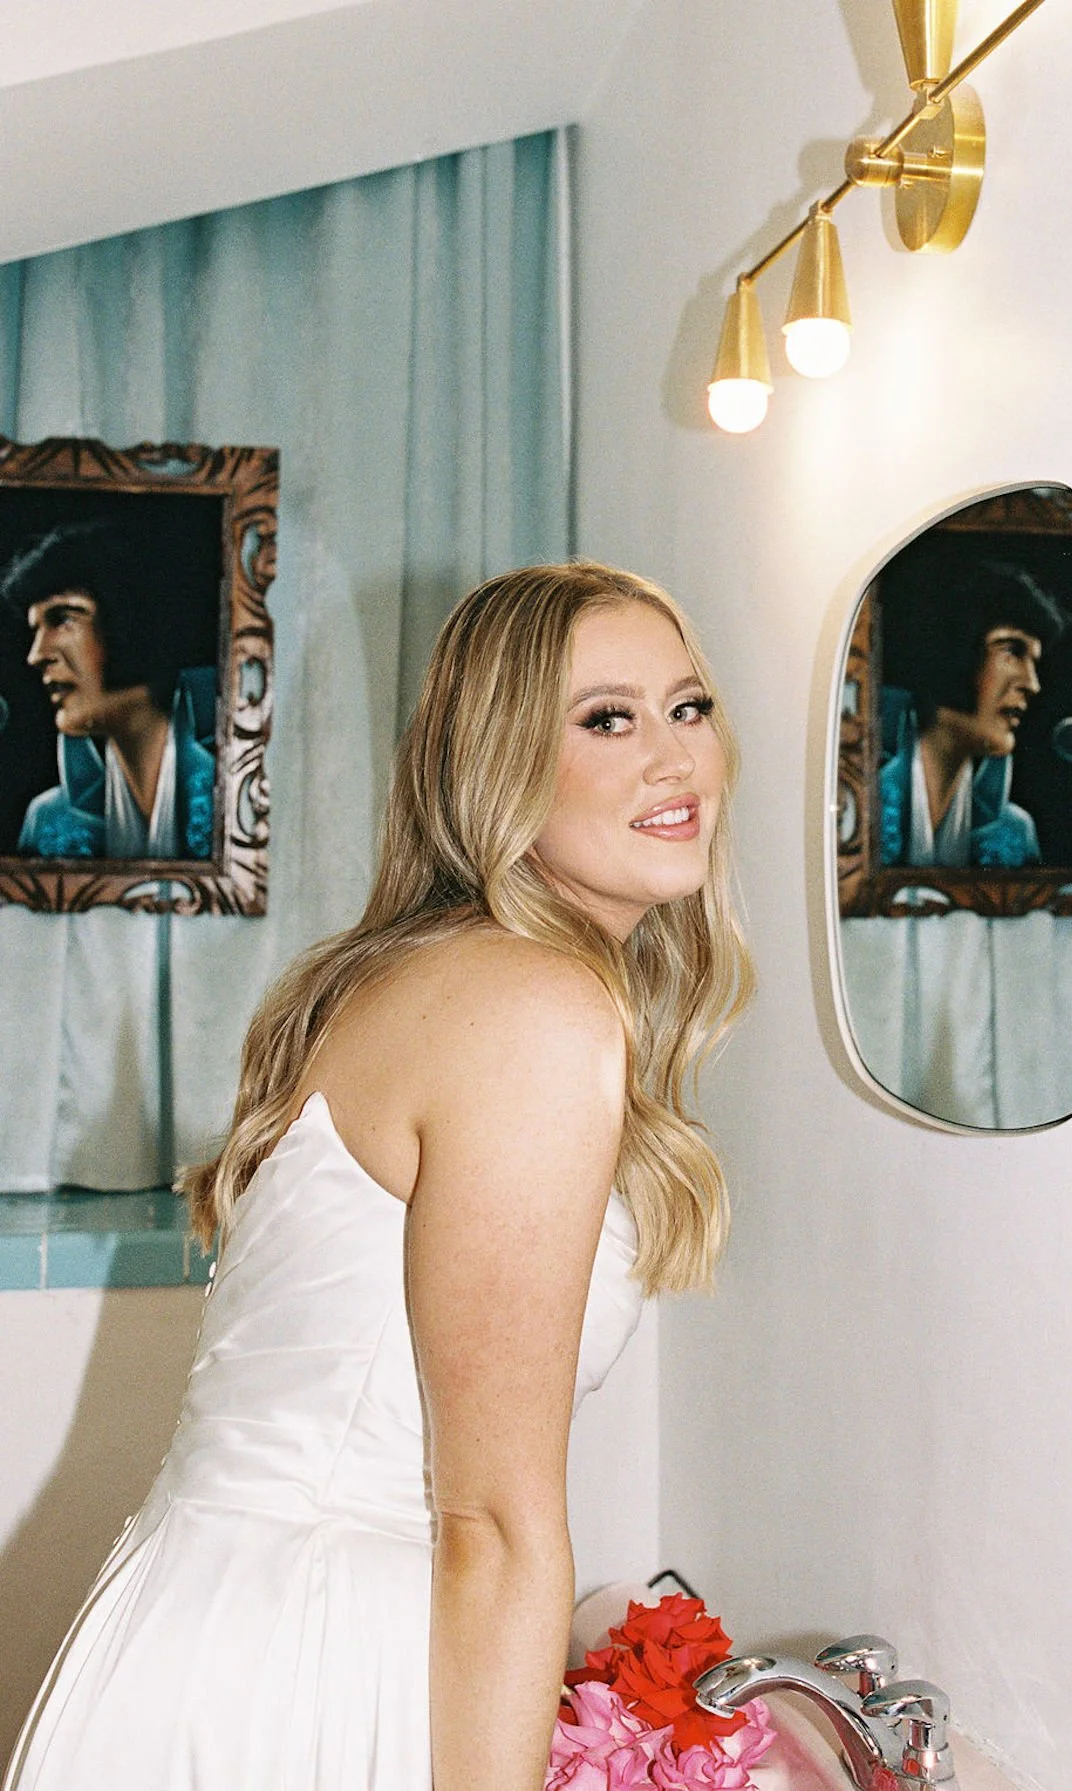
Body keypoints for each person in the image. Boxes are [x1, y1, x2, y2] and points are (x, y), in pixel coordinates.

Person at [3, 561, 753, 1791]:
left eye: (690, 707)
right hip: (315, 1659)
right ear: (500, 763)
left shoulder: (416, 976)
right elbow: (491, 1527)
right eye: (607, 719)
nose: (675, 759)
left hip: (205, 1627)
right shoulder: (534, 1006)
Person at [2, 520, 216, 859]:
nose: (36, 656)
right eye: (35, 631)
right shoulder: (50, 823)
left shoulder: (243, 785)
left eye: (63, 619)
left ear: (133, 617)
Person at [877, 560, 1071, 868]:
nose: (1032, 684)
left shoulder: (1014, 835)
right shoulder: (860, 804)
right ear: (954, 648)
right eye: (1012, 651)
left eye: (1034, 663)